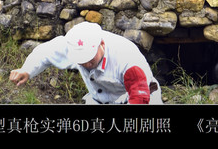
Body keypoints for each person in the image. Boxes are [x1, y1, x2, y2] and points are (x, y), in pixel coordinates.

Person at [9, 21, 162, 104]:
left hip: (140, 97)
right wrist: (26, 70)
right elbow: (44, 53)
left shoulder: (127, 58)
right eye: (82, 61)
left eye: (90, 58)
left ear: (101, 44)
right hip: (100, 100)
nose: (87, 64)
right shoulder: (70, 46)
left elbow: (139, 97)